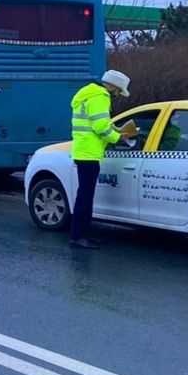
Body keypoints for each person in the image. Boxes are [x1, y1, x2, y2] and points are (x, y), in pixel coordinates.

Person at [69, 69, 135, 249]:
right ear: (113, 86)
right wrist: (117, 137)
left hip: (83, 151)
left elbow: (97, 123)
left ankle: (81, 234)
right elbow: (100, 127)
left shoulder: (88, 94)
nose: (117, 95)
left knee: (84, 195)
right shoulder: (100, 97)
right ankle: (79, 236)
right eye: (118, 91)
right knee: (85, 196)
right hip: (90, 153)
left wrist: (114, 128)